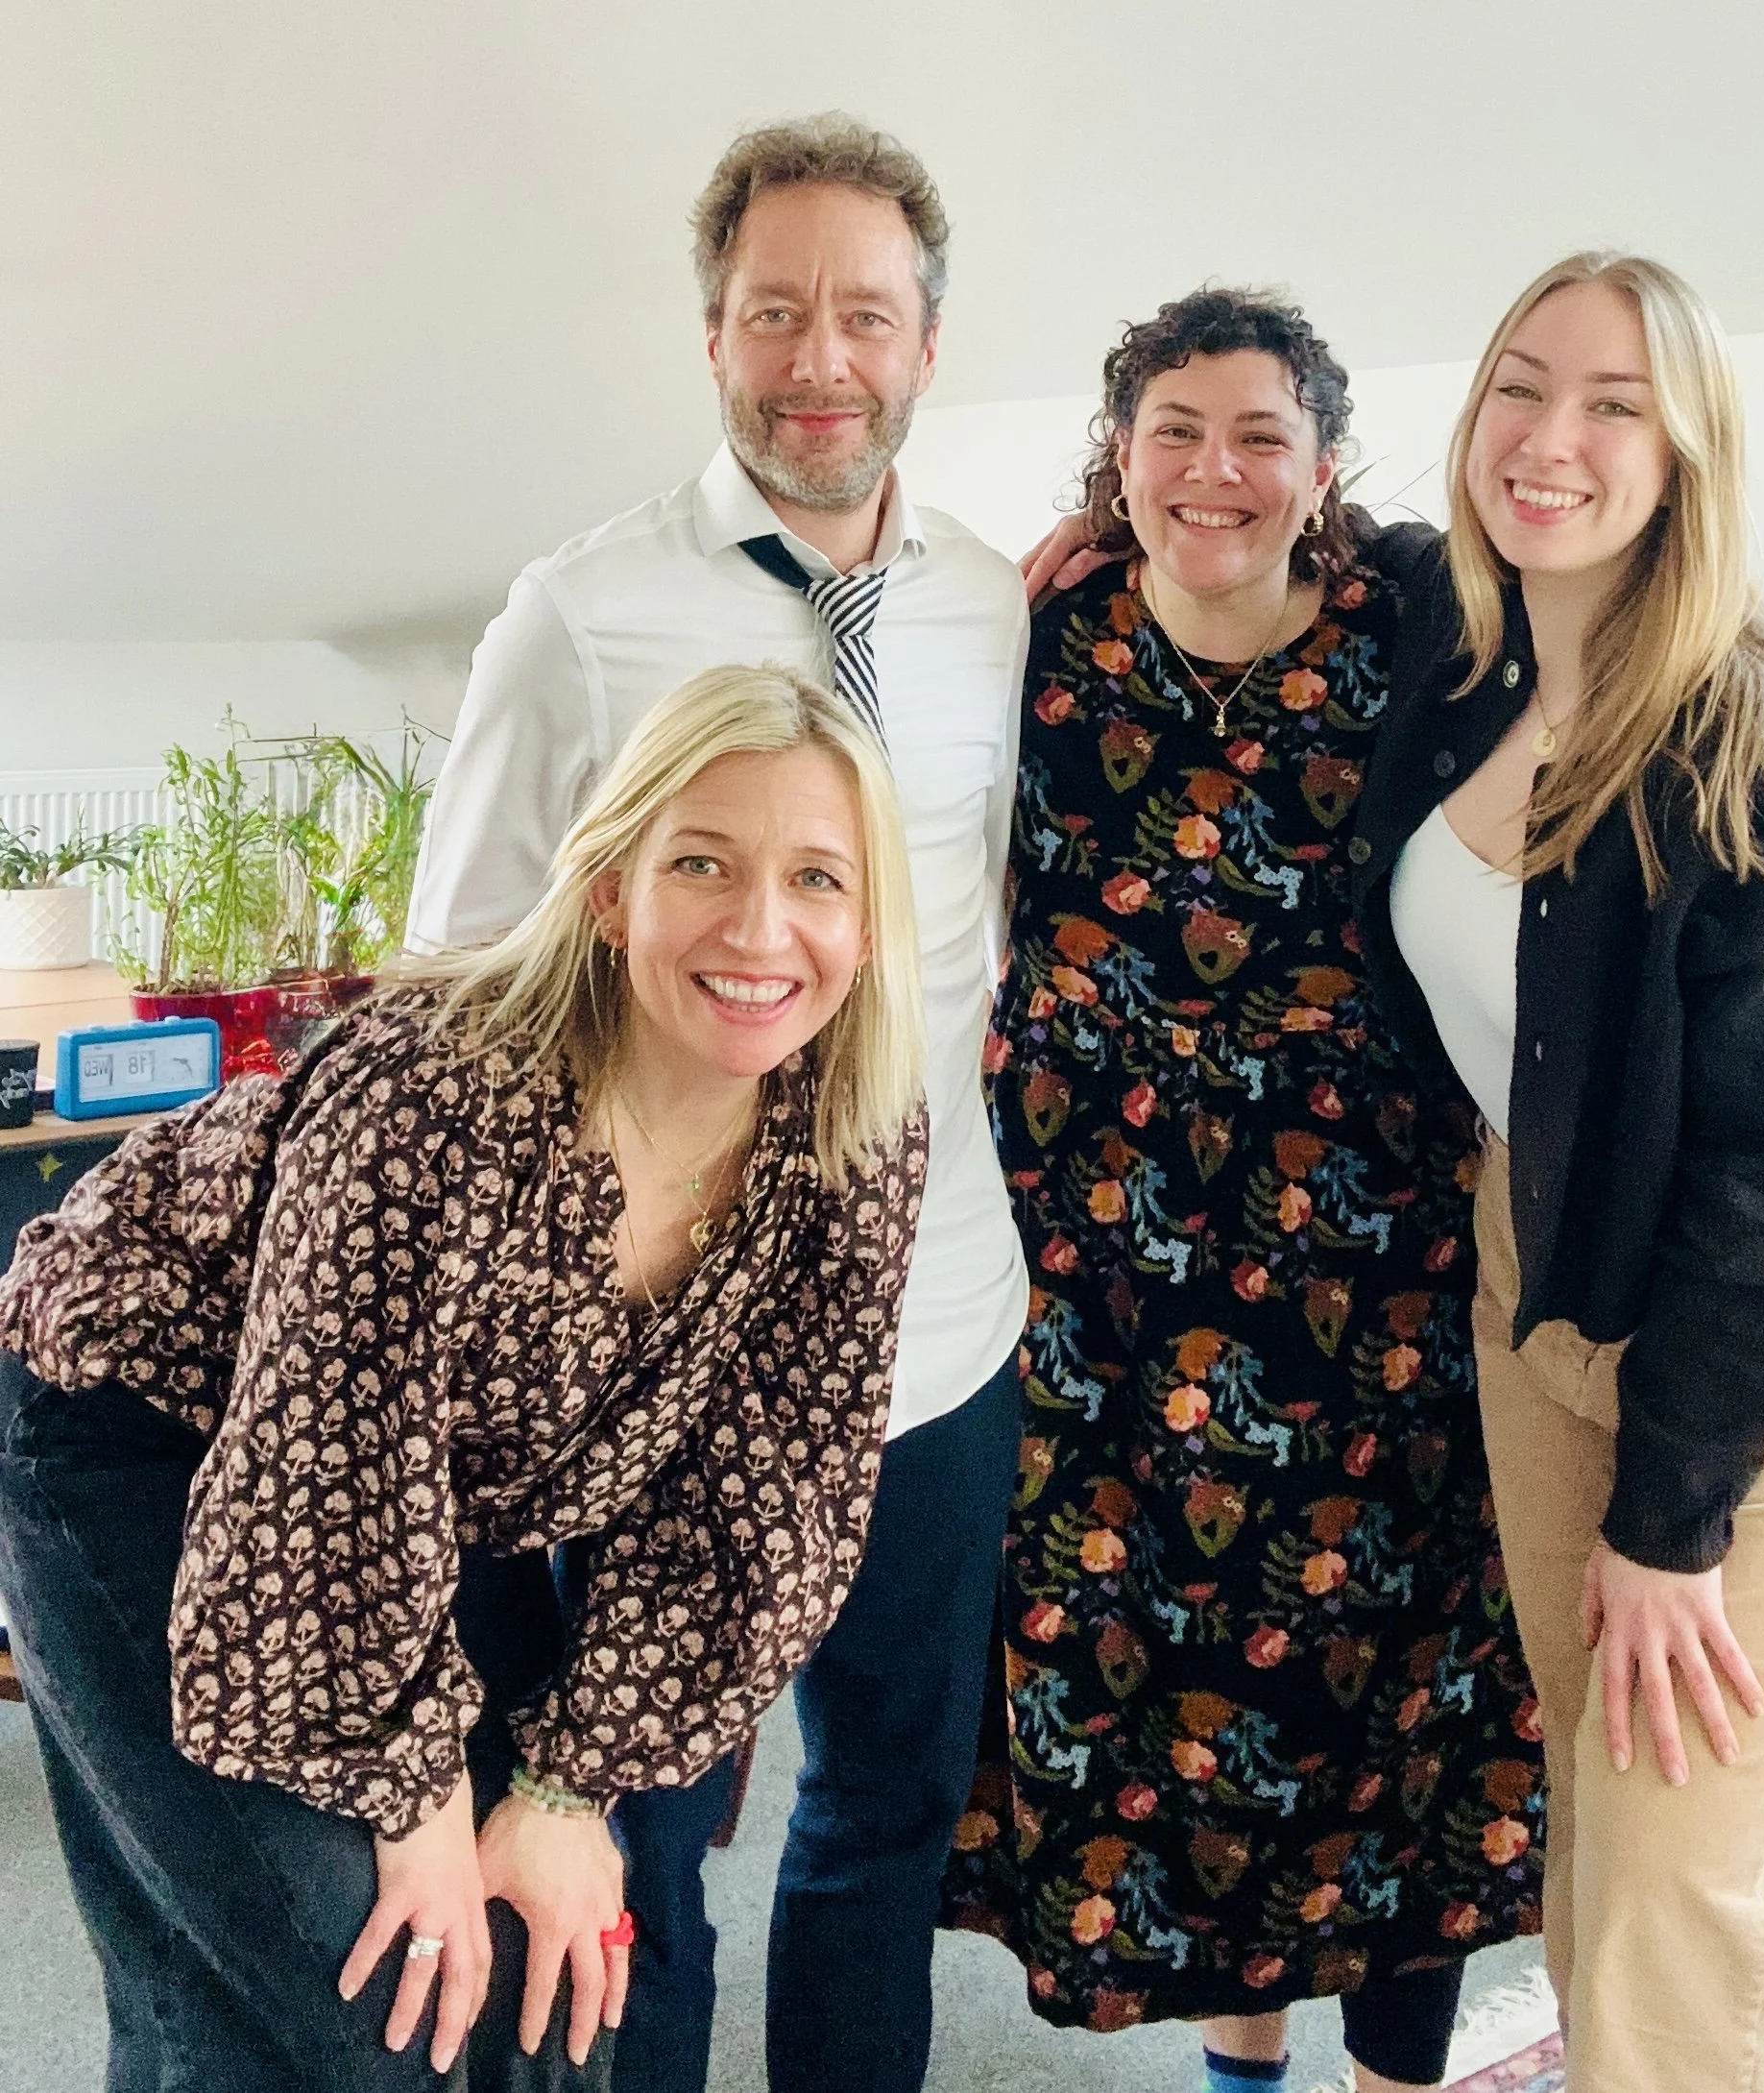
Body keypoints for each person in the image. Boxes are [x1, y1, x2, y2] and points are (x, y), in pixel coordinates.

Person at [0, 664, 930, 2093]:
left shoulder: (856, 1134)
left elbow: (769, 1510)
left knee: (550, 1990)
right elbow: (320, 1470)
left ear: (869, 931)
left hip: (420, 1485)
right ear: (613, 889)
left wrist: (565, 1788)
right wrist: (415, 1789)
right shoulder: (435, 1090)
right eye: (702, 861)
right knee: (360, 2008)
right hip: (132, 1427)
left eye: (817, 876)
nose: (760, 928)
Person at [404, 116, 1029, 2093]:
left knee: (882, 1813)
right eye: (775, 314)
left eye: (863, 315)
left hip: (933, 1335)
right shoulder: (577, 616)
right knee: (632, 1844)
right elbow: (457, 994)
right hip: (655, 1360)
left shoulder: (1002, 614)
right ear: (711, 338)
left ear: (929, 343)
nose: (817, 360)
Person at [1349, 252, 1764, 2092]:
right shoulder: (1455, 652)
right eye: (1519, 386)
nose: (1550, 439)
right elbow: (1303, 519)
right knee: (1604, 1829)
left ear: (1686, 454)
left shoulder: (1732, 754)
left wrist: (1672, 1524)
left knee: (1665, 1869)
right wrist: (1087, 520)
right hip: (1537, 1265)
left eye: (1615, 404)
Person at [942, 289, 1546, 2093]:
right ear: (1116, 457)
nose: (1215, 469)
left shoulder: (1418, 631)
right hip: (1099, 1283)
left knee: (1393, 1688)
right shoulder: (1027, 643)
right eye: (1173, 430)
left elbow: (1644, 633)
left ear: (1323, 467)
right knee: (1166, 1701)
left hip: (1368, 1269)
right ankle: (1239, 2068)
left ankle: (1394, 2074)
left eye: (1259, 435)